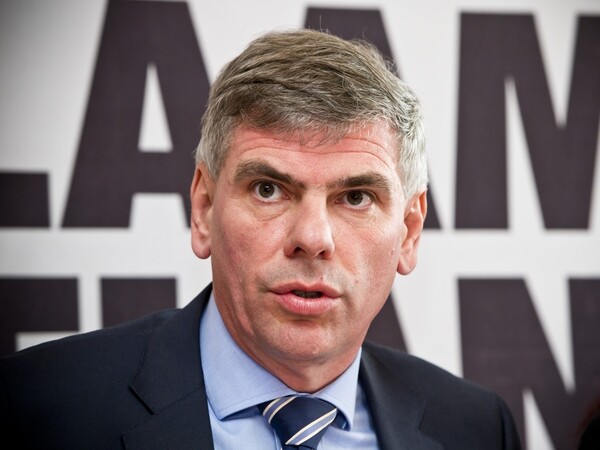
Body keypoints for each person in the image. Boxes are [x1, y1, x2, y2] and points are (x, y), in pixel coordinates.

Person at [0, 29, 521, 449]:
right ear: (203, 210)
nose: (312, 238)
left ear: (409, 231)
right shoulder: (35, 408)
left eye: (356, 196)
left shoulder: (475, 428)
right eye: (268, 189)